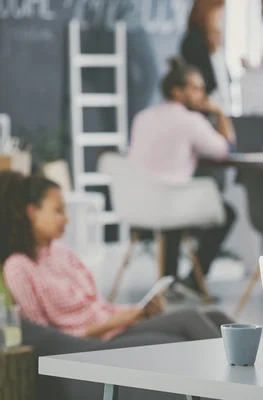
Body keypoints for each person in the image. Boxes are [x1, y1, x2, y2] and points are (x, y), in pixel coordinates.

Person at [0, 172, 234, 341]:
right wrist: (120, 321)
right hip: (94, 343)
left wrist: (137, 311)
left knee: (216, 316)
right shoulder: (18, 267)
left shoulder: (64, 254)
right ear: (31, 212)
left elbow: (98, 307)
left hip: (116, 327)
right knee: (190, 318)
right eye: (58, 210)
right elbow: (43, 336)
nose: (66, 219)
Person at [128, 57, 236, 294]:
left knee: (173, 206)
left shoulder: (142, 118)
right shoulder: (191, 121)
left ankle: (170, 281)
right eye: (195, 88)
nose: (202, 94)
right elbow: (226, 150)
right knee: (226, 213)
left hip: (136, 205)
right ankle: (194, 282)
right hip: (170, 205)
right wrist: (219, 113)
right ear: (177, 92)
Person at [181, 0, 232, 113]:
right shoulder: (193, 42)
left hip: (218, 112)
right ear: (207, 13)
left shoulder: (214, 44)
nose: (221, 20)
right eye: (218, 14)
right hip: (203, 114)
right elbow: (201, 84)